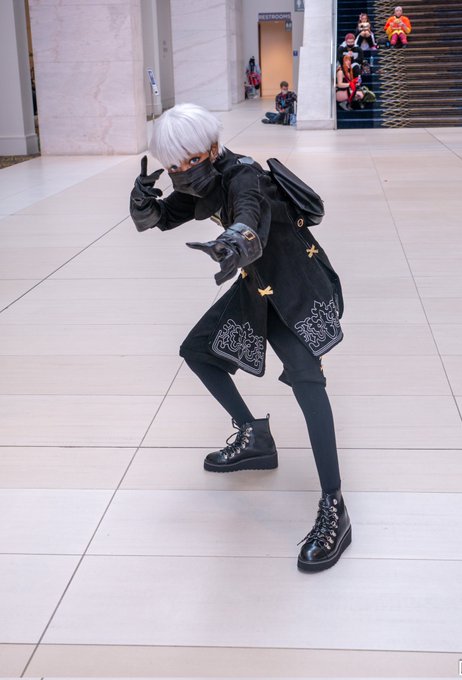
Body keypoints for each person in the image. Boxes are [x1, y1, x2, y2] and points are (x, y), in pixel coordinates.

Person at [129, 103, 352, 573]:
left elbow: (249, 216)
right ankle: (256, 436)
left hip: (296, 287)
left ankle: (335, 506)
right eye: (175, 166)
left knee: (308, 383)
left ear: (212, 147)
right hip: (258, 286)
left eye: (191, 160)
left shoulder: (243, 175)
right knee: (198, 352)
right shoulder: (201, 181)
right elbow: (167, 215)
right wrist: (146, 204)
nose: (183, 172)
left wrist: (232, 243)